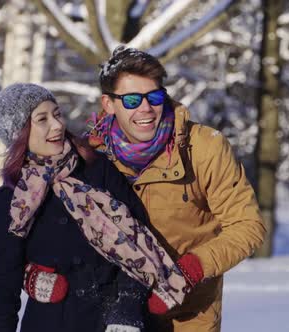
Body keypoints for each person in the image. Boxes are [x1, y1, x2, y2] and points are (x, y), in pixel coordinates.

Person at [0, 83, 191, 332]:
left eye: (57, 114)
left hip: (119, 320)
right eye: (42, 119)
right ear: (19, 133)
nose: (57, 125)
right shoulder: (11, 202)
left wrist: (127, 309)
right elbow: (3, 283)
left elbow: (139, 239)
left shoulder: (97, 169)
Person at [86, 46, 267, 331]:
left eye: (154, 97)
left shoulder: (204, 147)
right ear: (108, 104)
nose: (145, 108)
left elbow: (247, 225)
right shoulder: (91, 155)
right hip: (113, 312)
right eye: (132, 100)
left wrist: (192, 269)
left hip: (188, 314)